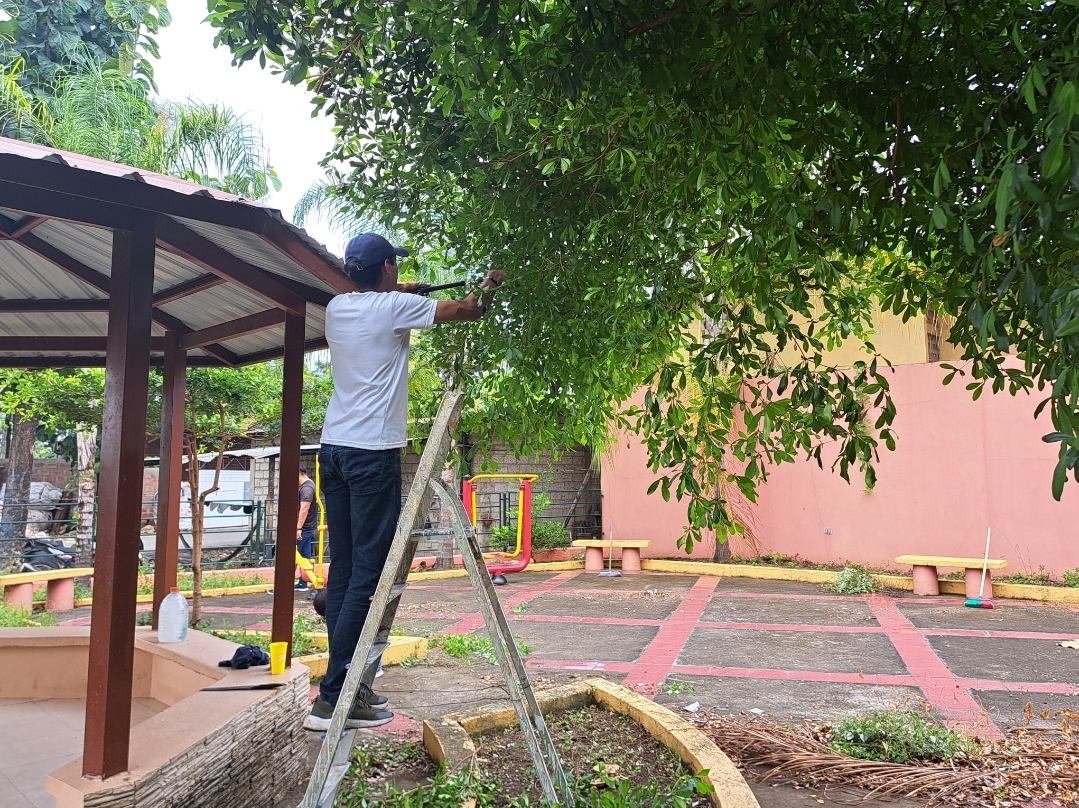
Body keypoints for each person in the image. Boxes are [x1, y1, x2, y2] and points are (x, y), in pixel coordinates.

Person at [304, 232, 505, 732]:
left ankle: (341, 690)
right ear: (388, 268)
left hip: (334, 450)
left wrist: (401, 291)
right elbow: (469, 310)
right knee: (368, 576)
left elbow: (377, 303)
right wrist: (490, 285)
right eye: (394, 265)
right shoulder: (394, 306)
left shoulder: (337, 307)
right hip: (372, 454)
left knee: (345, 569)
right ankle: (336, 696)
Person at [294, 464, 319, 591]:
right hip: (307, 527)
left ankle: (283, 584)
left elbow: (304, 509)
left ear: (299, 473)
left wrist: (298, 528)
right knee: (305, 556)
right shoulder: (307, 485)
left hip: (304, 528)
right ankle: (303, 583)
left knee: (291, 554)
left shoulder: (307, 488)